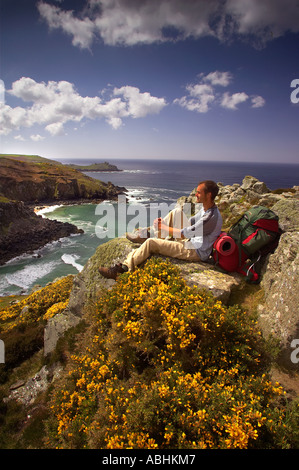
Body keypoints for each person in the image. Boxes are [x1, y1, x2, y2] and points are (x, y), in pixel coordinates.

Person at [98, 180, 222, 280]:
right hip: (193, 240)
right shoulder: (206, 209)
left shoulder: (211, 217)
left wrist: (164, 227)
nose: (196, 194)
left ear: (209, 195)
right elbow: (191, 224)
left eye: (199, 192)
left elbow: (185, 234)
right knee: (177, 212)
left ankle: (122, 269)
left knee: (151, 243)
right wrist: (162, 224)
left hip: (196, 251)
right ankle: (149, 234)